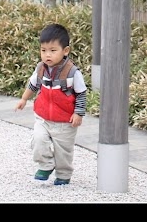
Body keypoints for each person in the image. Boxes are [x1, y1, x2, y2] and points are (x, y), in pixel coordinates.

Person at [14, 23, 88, 186]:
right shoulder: (41, 68)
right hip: (43, 117)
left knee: (63, 151)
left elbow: (81, 93)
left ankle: (63, 174)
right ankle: (46, 165)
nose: (47, 55)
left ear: (65, 51)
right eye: (43, 50)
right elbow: (33, 85)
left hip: (65, 122)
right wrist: (24, 99)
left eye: (53, 50)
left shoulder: (72, 72)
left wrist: (79, 113)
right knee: (38, 140)